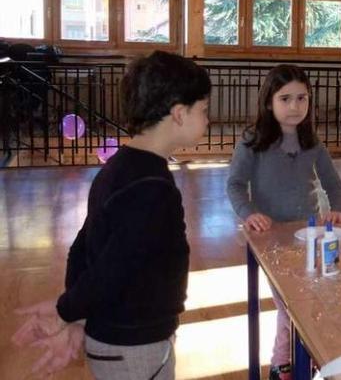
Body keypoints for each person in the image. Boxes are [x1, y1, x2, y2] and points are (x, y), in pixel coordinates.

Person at [11, 50, 211, 379]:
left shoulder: (119, 168)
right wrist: (67, 311)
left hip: (119, 339)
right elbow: (114, 267)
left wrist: (76, 317)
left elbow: (83, 248)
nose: (208, 119)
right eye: (203, 110)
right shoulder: (152, 187)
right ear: (178, 113)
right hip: (135, 345)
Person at [226, 64, 341, 380]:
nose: (295, 107)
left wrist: (338, 210)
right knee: (289, 304)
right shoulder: (253, 140)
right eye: (285, 98)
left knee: (311, 298)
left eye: (302, 98)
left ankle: (306, 354)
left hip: (307, 235)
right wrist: (249, 212)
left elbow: (334, 184)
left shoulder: (312, 143)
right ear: (269, 102)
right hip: (269, 238)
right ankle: (282, 363)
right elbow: (234, 184)